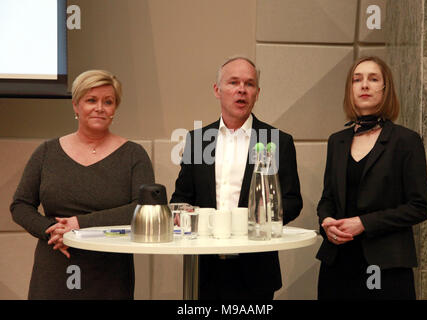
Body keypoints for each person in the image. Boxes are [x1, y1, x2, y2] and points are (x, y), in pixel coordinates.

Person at [10, 70, 155, 299]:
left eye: (108, 102)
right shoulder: (47, 152)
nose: (100, 107)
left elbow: (145, 208)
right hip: (56, 260)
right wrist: (52, 231)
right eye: (91, 100)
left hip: (110, 269)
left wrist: (80, 224)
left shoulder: (134, 155)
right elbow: (20, 205)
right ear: (76, 106)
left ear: (115, 109)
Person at [171, 56, 302, 300]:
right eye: (233, 82)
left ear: (257, 93)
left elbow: (292, 201)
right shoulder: (198, 141)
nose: (241, 90)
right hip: (205, 268)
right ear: (217, 90)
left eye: (249, 84)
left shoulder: (275, 140)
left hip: (256, 270)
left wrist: (257, 222)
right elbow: (181, 199)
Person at [316, 56, 427, 300]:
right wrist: (326, 221)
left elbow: (419, 207)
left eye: (373, 79)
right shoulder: (337, 141)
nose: (364, 85)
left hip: (386, 267)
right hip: (337, 264)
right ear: (350, 90)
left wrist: (364, 223)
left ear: (385, 89)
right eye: (357, 80)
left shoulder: (406, 141)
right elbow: (327, 198)